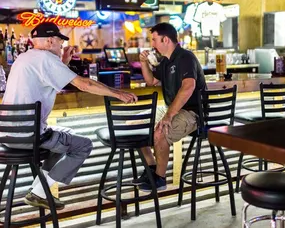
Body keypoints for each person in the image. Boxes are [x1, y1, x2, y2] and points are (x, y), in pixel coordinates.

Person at [2, 23, 137, 210]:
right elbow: (84, 85)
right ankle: (39, 193)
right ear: (50, 41)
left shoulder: (24, 58)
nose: (61, 46)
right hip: (30, 137)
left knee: (66, 132)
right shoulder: (45, 58)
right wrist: (118, 94)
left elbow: (49, 76)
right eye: (59, 42)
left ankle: (38, 188)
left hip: (8, 136)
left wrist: (63, 61)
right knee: (83, 145)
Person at [137, 22, 206, 191]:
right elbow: (151, 81)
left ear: (165, 39)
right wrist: (143, 62)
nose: (152, 44)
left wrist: (168, 116)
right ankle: (152, 168)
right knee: (136, 127)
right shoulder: (166, 61)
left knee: (160, 132)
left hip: (192, 113)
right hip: (174, 109)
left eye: (154, 40)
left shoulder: (185, 57)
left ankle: (160, 179)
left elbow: (188, 86)